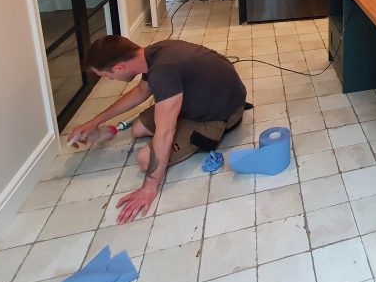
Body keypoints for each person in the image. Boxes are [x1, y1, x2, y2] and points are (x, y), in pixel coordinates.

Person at [70, 35, 250, 224]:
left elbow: (165, 132)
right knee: (138, 129)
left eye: (107, 76)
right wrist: (95, 122)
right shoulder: (153, 53)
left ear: (119, 68)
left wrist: (150, 186)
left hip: (220, 113)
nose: (109, 79)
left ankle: (180, 126)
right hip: (195, 98)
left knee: (145, 159)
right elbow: (141, 92)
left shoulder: (163, 72)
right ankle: (170, 112)